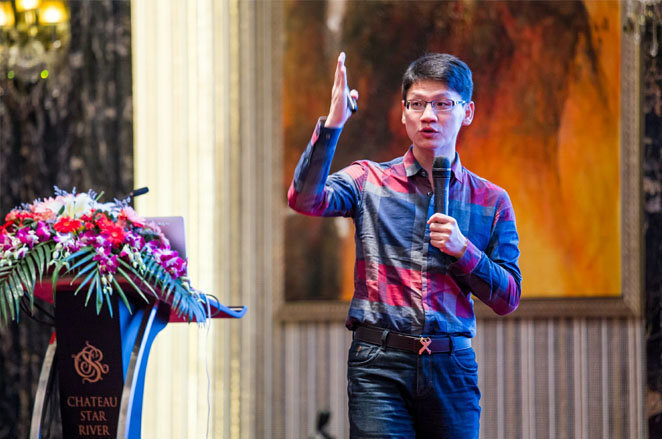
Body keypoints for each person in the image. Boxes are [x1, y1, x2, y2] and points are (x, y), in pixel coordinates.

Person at [287, 52, 521, 439]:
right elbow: (304, 199)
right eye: (417, 104)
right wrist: (333, 124)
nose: (428, 115)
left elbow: (508, 297)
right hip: (379, 364)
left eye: (442, 104)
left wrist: (464, 251)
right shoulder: (368, 180)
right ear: (403, 113)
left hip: (452, 368)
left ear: (467, 112)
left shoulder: (491, 200)